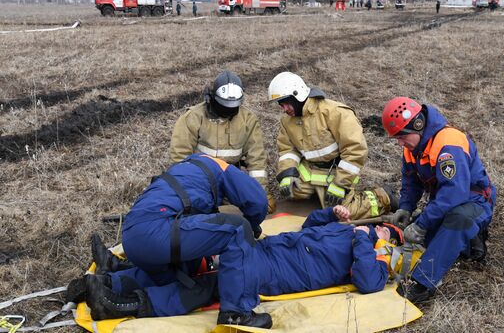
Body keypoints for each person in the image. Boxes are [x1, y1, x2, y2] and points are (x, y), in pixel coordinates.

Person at [78, 154, 268, 320]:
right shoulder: (223, 169)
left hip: (133, 235)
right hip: (158, 234)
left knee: (180, 272)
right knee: (236, 230)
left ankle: (107, 282)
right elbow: (258, 201)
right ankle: (237, 314)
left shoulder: (186, 170)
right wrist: (251, 228)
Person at [215, 205, 407, 328]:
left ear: (390, 244)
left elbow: (368, 281)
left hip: (281, 269)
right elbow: (309, 227)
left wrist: (365, 239)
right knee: (231, 239)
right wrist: (330, 214)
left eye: (386, 232)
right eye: (382, 225)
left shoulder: (374, 254)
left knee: (228, 263)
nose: (380, 228)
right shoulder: (351, 230)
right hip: (270, 248)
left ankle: (226, 309)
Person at [382, 97, 496, 303]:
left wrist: (423, 224)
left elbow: (455, 193)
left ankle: (424, 283)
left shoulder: (448, 143)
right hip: (447, 202)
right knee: (427, 233)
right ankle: (471, 242)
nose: (400, 143)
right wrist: (406, 209)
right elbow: (411, 182)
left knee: (455, 222)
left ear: (417, 125)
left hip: (475, 202)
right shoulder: (412, 148)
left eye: (401, 136)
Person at [268, 71, 397, 219]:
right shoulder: (287, 121)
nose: (284, 109)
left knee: (342, 213)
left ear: (297, 95)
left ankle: (382, 197)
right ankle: (319, 194)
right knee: (292, 191)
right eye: (281, 105)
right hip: (311, 171)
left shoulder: (335, 113)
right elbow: (287, 149)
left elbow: (355, 151)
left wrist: (340, 184)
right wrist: (287, 174)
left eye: (286, 103)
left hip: (337, 172)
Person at [170, 70, 275, 213]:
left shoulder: (248, 120)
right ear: (211, 98)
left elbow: (256, 159)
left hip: (230, 178)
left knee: (247, 208)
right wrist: (188, 190)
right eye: (224, 106)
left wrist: (261, 194)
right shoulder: (193, 117)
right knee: (196, 210)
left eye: (233, 107)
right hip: (200, 179)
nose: (228, 111)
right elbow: (180, 157)